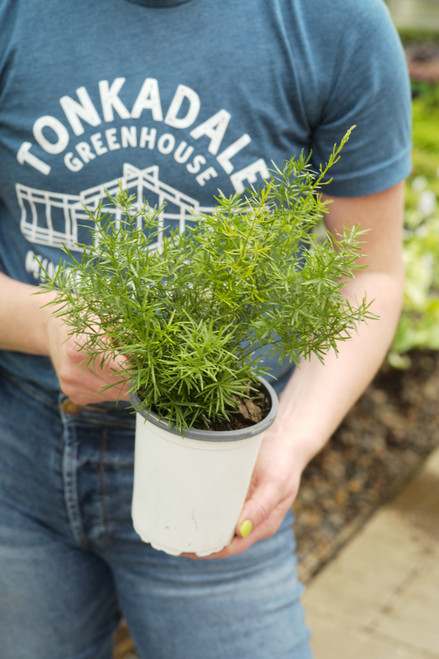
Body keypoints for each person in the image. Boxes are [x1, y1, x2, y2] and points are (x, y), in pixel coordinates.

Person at [0, 1, 411, 657]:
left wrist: (292, 441)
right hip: (18, 458)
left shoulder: (333, 21)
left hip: (221, 461)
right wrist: (45, 319)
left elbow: (368, 276)